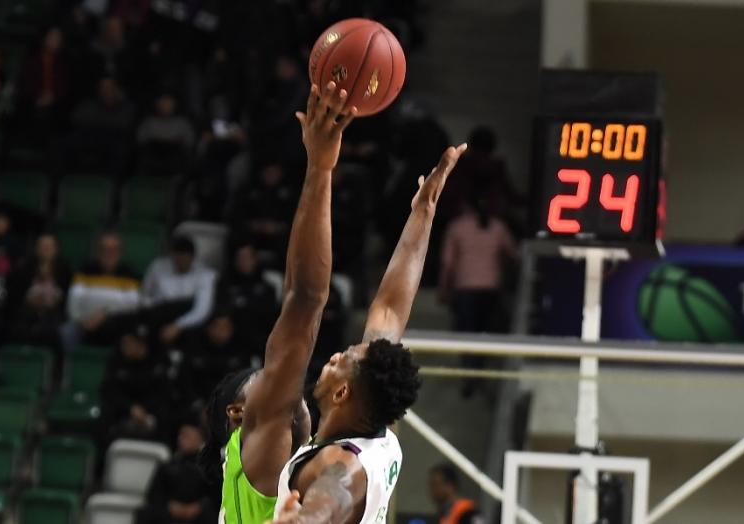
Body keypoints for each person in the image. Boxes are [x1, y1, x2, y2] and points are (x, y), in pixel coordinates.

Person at [270, 104, 462, 524]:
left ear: (342, 394)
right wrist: (423, 213)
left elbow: (332, 496)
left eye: (343, 360)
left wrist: (302, 521)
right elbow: (391, 308)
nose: (335, 356)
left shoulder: (343, 463)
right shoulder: (380, 438)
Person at [213, 83, 358, 523]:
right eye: (264, 380)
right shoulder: (262, 459)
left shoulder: (256, 476)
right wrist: (320, 168)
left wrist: (319, 169)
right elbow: (307, 300)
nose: (277, 377)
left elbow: (300, 299)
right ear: (240, 415)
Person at [440, 198, 517, 335]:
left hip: (465, 286)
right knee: (486, 330)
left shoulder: (457, 227)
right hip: (492, 285)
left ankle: (468, 356)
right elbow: (513, 255)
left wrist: (444, 288)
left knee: (466, 331)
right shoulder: (498, 227)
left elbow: (448, 263)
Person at [65, 232, 143, 346]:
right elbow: (74, 301)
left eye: (113, 250)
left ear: (120, 252)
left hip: (116, 325)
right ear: (98, 252)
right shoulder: (84, 271)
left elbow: (132, 307)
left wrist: (104, 315)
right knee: (65, 333)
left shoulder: (131, 274)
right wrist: (83, 321)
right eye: (104, 249)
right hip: (85, 324)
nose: (108, 254)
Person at [143, 236, 216, 347]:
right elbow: (145, 294)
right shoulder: (157, 266)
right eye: (177, 259)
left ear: (192, 258)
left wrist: (178, 325)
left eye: (184, 260)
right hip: (160, 313)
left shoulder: (205, 275)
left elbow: (202, 310)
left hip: (188, 319)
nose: (180, 263)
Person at [141, 423, 215, 524]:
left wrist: (197, 507)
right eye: (181, 435)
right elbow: (154, 496)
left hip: (199, 515)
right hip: (169, 515)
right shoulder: (167, 466)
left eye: (187, 436)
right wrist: (170, 506)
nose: (181, 438)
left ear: (200, 439)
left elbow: (215, 496)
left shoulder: (210, 468)